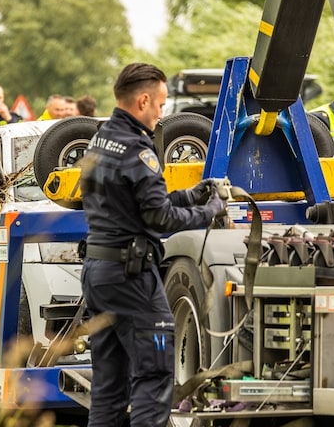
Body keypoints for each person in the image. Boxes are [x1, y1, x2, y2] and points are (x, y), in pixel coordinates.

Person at [79, 63, 226, 427]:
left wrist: (190, 197)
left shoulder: (100, 141)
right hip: (132, 280)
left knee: (109, 386)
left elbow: (134, 207)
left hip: (98, 275)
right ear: (143, 100)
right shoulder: (138, 150)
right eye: (160, 104)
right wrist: (209, 211)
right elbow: (158, 220)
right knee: (154, 374)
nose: (162, 113)